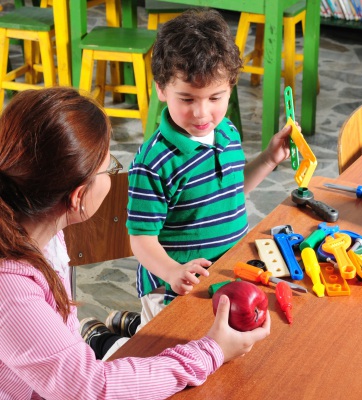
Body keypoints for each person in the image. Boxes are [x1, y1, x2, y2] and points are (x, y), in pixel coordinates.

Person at [0, 87, 270, 399]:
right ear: (77, 198)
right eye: (107, 168)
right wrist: (211, 352)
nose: (112, 176)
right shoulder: (12, 289)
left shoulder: (31, 222)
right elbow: (95, 388)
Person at [126, 8, 294, 327]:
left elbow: (232, 191)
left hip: (227, 279)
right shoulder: (154, 163)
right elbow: (141, 240)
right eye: (187, 99)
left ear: (231, 85)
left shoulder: (227, 131)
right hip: (173, 292)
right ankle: (124, 333)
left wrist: (269, 159)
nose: (203, 113)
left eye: (215, 97)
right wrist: (172, 272)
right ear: (161, 89)